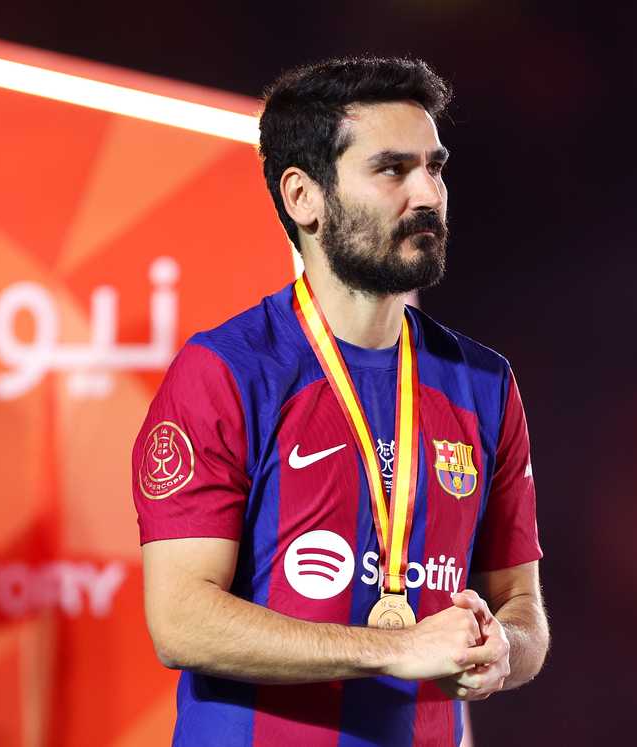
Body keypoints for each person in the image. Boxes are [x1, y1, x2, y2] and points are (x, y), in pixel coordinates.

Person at [131, 56, 548, 746]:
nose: (427, 194)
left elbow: (523, 607)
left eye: (435, 167)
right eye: (391, 170)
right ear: (304, 198)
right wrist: (392, 648)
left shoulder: (484, 383)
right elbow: (179, 619)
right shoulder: (227, 372)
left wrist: (504, 645)